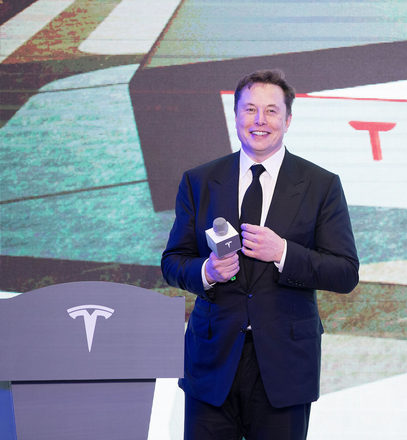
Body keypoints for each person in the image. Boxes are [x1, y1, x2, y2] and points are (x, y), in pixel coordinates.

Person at [161, 69, 360, 439]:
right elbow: (172, 262)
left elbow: (346, 272)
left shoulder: (321, 185)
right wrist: (207, 272)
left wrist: (283, 252)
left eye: (271, 111)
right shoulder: (199, 181)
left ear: (288, 119)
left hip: (285, 367)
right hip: (211, 363)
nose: (259, 120)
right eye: (250, 109)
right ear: (235, 115)